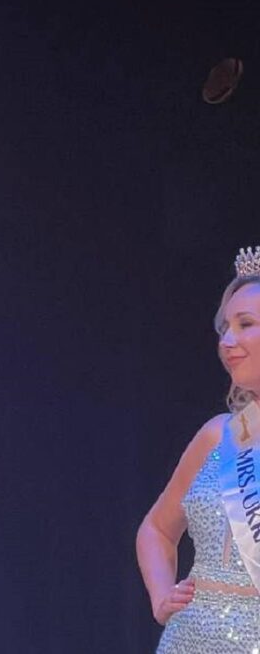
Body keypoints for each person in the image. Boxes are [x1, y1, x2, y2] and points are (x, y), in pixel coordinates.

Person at [137, 247, 260, 651]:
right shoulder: (217, 435)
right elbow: (156, 530)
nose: (227, 341)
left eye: (245, 324)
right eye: (225, 327)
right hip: (187, 640)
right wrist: (161, 597)